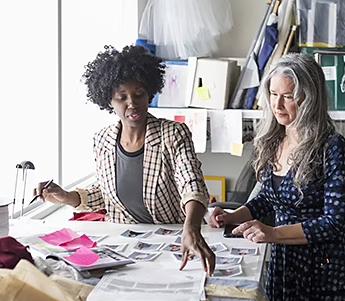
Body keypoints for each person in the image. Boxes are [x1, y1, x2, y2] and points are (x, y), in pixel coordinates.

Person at [209, 53, 345, 301]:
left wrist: (272, 233)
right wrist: (234, 215)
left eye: (288, 97)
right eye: (273, 95)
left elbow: (334, 222)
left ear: (309, 98)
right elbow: (270, 199)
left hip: (323, 268)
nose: (278, 105)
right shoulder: (272, 139)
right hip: (284, 262)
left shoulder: (332, 148)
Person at [34, 45, 215, 274]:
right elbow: (105, 195)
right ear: (109, 100)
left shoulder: (173, 134)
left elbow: (191, 183)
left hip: (174, 243)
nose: (132, 103)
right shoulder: (102, 140)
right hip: (124, 248)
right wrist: (66, 196)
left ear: (149, 92)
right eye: (122, 97)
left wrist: (192, 226)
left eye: (139, 94)